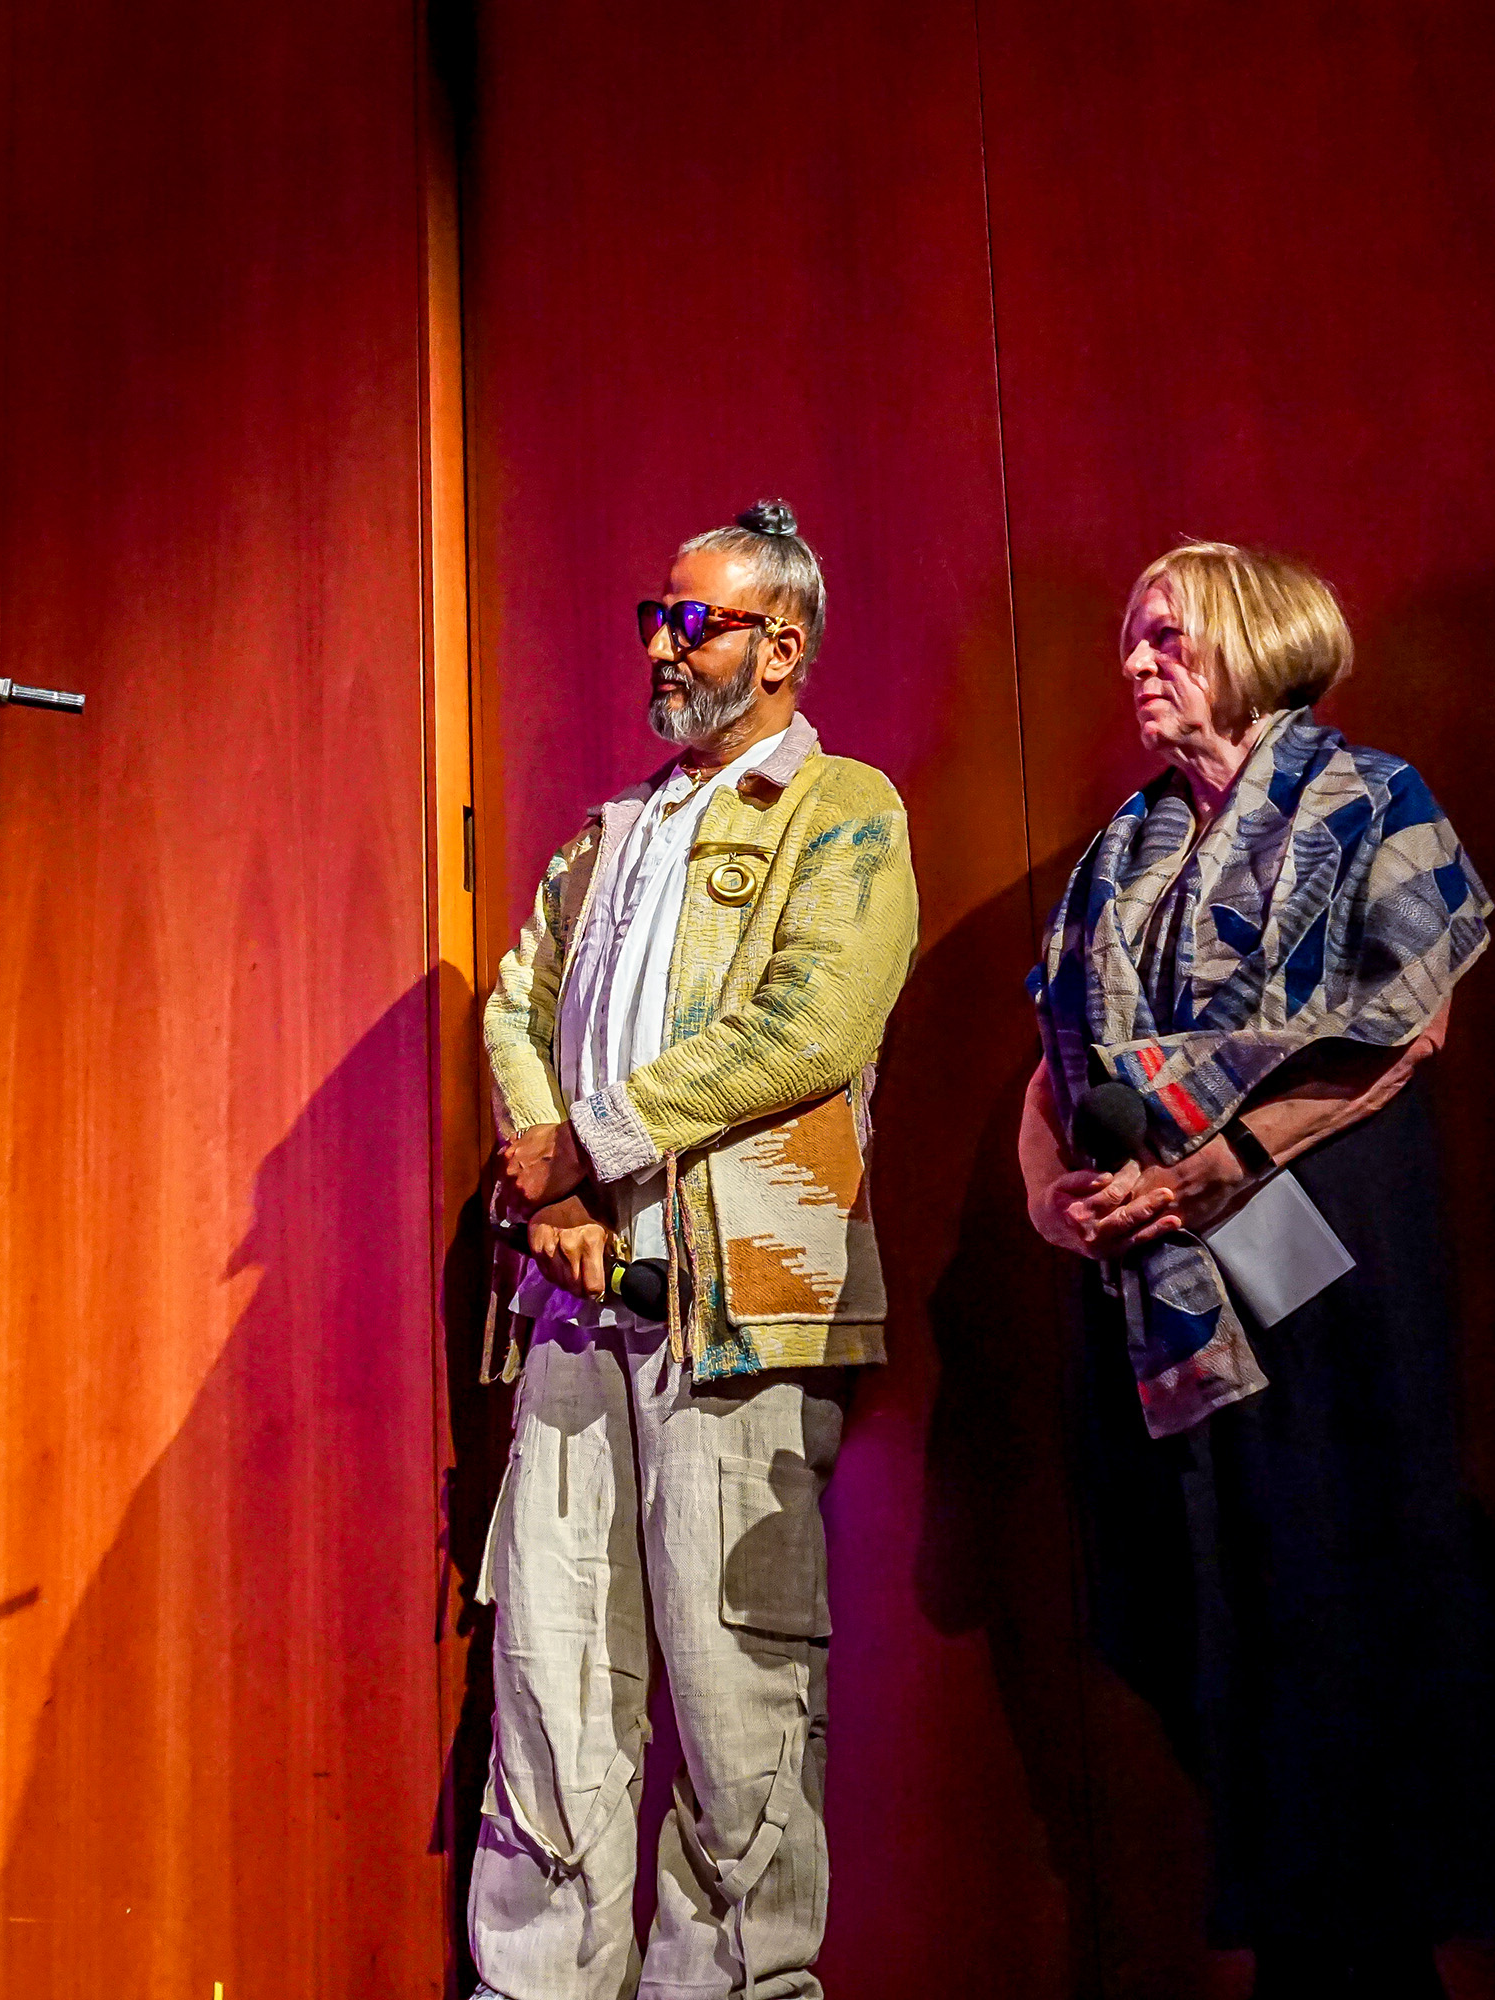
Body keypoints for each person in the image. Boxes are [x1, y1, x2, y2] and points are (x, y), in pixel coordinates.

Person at [1017, 543, 1495, 1998]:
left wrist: (1220, 1168)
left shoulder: (1370, 801)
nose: (1134, 663)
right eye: (1126, 638)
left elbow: (1402, 1027)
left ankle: (1363, 1962)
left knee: (1336, 1592)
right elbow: (1050, 1073)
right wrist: (1060, 1204)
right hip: (1143, 1273)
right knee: (1186, 1602)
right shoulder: (1123, 850)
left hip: (1312, 1243)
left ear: (1256, 637)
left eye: (1163, 633)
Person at [469, 500, 917, 2000]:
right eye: (654, 621)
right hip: (580, 1315)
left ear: (782, 645)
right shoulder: (612, 829)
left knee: (742, 1722)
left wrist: (591, 1140)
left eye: (696, 622)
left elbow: (811, 1028)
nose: (662, 648)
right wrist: (557, 1197)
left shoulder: (843, 808)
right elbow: (512, 1008)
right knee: (550, 1703)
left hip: (745, 1314)